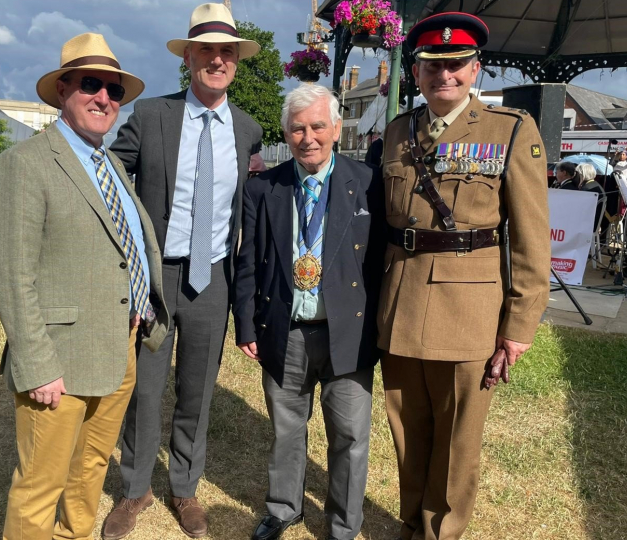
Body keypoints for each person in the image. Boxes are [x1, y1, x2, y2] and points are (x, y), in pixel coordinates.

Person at [0, 33, 168, 540]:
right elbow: (10, 272)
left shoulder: (109, 163)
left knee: (89, 471)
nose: (105, 98)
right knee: (40, 484)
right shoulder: (26, 163)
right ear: (63, 89)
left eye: (115, 90)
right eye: (92, 84)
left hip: (119, 347)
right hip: (59, 361)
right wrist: (37, 363)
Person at [378, 12, 550, 540]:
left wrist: (519, 325)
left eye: (455, 65)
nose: (443, 76)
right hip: (401, 305)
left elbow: (530, 237)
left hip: (469, 312)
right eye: (432, 66)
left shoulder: (511, 131)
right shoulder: (397, 132)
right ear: (416, 73)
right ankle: (411, 524)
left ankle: (441, 533)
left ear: (475, 69)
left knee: (458, 441)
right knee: (408, 432)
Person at [102, 4, 263, 539]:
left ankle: (185, 486)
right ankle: (135, 488)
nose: (216, 61)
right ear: (188, 57)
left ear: (235, 62)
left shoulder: (248, 130)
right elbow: (111, 171)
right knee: (145, 390)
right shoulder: (151, 116)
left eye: (227, 53)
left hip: (212, 277)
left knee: (197, 389)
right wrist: (124, 243)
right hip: (156, 278)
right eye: (206, 51)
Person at [233, 84, 385, 540]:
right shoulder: (263, 187)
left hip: (348, 334)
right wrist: (244, 324)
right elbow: (248, 264)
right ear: (286, 133)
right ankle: (283, 508)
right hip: (285, 331)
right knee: (285, 431)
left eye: (318, 125)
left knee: (351, 438)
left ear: (337, 128)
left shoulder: (369, 184)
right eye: (297, 129)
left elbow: (380, 264)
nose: (308, 137)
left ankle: (342, 525)